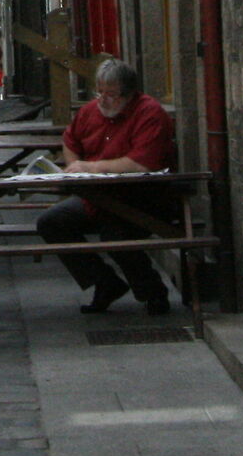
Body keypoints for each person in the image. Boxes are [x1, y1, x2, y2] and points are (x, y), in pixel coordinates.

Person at [35, 57, 179, 314]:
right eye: (99, 92)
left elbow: (140, 164)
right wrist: (74, 167)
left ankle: (152, 292)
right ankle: (104, 282)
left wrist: (90, 168)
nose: (103, 100)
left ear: (130, 94)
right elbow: (70, 141)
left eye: (111, 95)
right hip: (96, 197)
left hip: (142, 198)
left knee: (114, 232)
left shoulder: (149, 113)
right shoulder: (90, 111)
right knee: (51, 222)